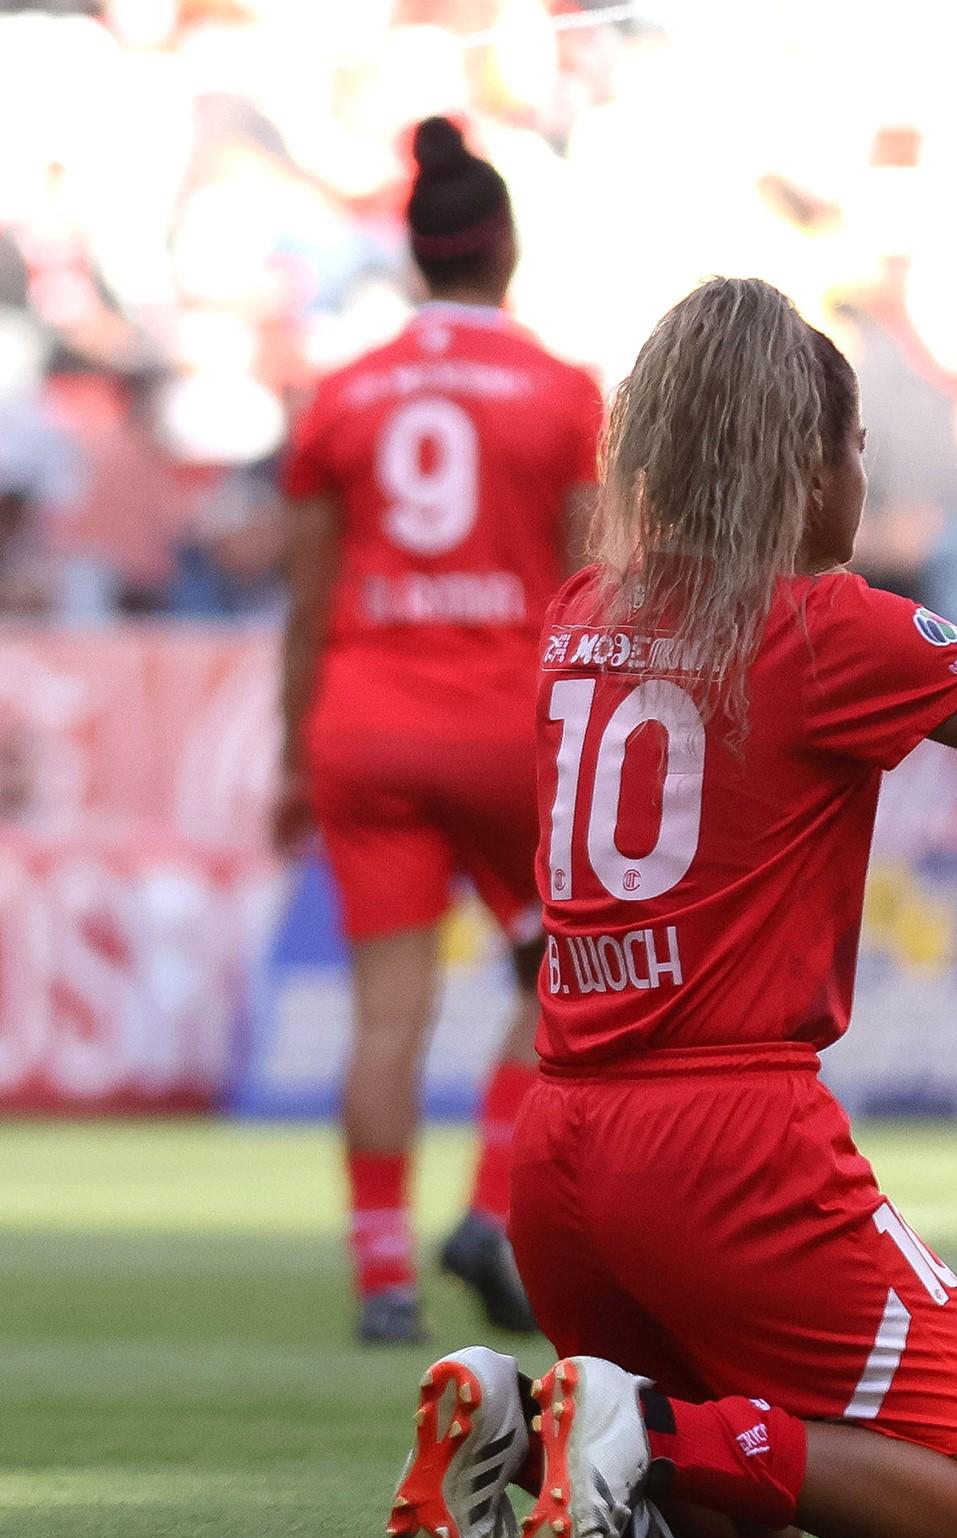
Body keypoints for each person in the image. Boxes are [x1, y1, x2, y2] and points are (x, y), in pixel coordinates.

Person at [384, 277, 957, 1538]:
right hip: (727, 1145)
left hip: (564, 1147)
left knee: (751, 1530)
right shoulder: (822, 630)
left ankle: (528, 1426)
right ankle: (627, 1429)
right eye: (852, 451)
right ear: (803, 470)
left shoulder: (584, 615)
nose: (859, 480)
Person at [275, 117, 602, 1345]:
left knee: (386, 1014)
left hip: (365, 725)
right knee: (567, 969)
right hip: (509, 729)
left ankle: (380, 1279)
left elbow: (307, 603)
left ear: (415, 258)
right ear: (505, 247)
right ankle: (484, 1207)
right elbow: (590, 583)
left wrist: (285, 755)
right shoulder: (563, 390)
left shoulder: (344, 397)